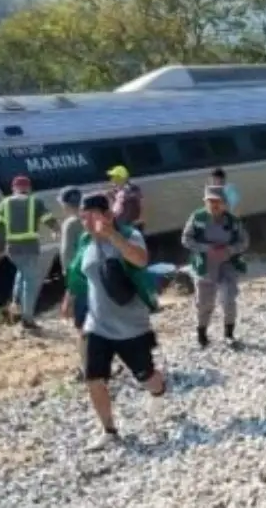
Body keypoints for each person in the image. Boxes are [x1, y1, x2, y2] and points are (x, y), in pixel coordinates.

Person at [75, 192, 167, 451]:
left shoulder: (128, 235)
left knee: (147, 377)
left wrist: (111, 236)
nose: (85, 223)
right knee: (94, 379)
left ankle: (159, 390)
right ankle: (109, 431)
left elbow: (140, 259)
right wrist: (71, 299)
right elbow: (82, 276)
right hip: (97, 326)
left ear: (107, 215)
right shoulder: (85, 243)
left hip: (131, 327)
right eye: (82, 217)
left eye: (90, 216)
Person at [181, 186, 250, 348]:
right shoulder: (197, 218)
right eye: (210, 201)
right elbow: (186, 239)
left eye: (217, 201)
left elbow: (244, 242)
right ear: (205, 203)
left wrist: (229, 250)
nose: (214, 205)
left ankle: (229, 334)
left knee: (228, 299)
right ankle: (202, 334)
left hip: (227, 264)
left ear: (224, 203)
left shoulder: (233, 221)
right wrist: (207, 249)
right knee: (204, 302)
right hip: (205, 265)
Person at [0, 175, 59, 330]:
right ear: (28, 188)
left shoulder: (5, 203)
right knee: (31, 282)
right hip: (30, 247)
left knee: (21, 274)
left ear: (14, 188)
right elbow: (49, 219)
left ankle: (15, 303)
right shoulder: (35, 201)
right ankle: (27, 318)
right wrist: (56, 230)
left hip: (13, 249)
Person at [56, 187, 88, 379]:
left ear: (66, 204)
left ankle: (87, 369)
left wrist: (70, 289)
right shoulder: (93, 219)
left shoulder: (71, 224)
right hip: (97, 278)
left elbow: (69, 258)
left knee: (82, 327)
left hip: (81, 281)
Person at [107, 165, 145, 233]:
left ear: (121, 179)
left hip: (132, 225)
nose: (112, 180)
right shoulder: (116, 191)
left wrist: (121, 195)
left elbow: (138, 200)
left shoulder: (132, 189)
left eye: (115, 177)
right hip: (121, 225)